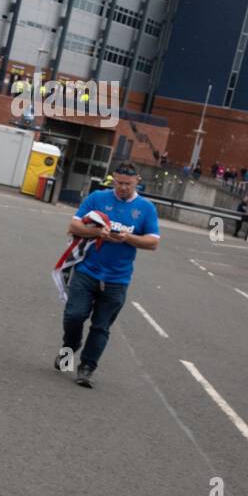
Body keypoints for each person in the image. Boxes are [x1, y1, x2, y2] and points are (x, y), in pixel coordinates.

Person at [59, 162, 160, 388]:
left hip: (117, 279)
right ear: (112, 179)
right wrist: (97, 232)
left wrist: (128, 238)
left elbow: (153, 242)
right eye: (118, 183)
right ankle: (70, 347)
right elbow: (74, 225)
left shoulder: (146, 208)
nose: (122, 187)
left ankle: (86, 368)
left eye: (127, 184)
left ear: (137, 182)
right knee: (74, 315)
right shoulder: (97, 198)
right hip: (87, 271)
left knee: (101, 326)